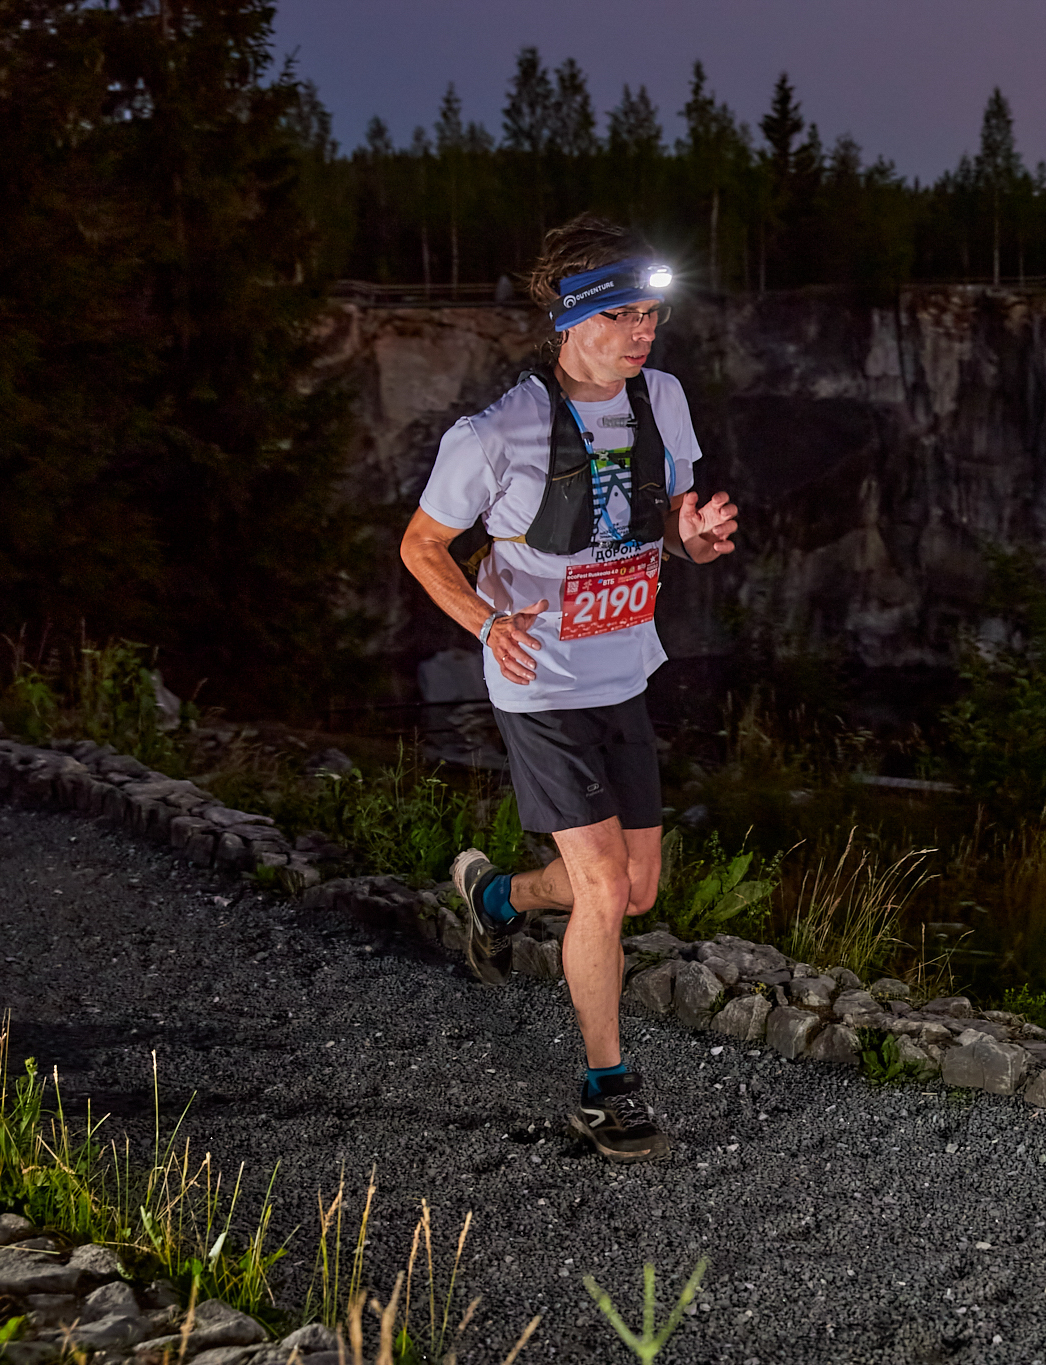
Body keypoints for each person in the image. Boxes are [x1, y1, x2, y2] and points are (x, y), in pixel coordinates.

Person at [399, 214, 738, 1163]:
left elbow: (658, 522)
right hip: (540, 683)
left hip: (623, 672)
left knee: (633, 893)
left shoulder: (661, 399)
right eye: (626, 317)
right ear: (573, 318)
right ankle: (606, 1088)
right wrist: (485, 623)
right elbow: (421, 546)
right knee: (597, 887)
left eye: (652, 318)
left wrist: (695, 535)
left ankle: (500, 900)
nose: (644, 335)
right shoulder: (495, 433)